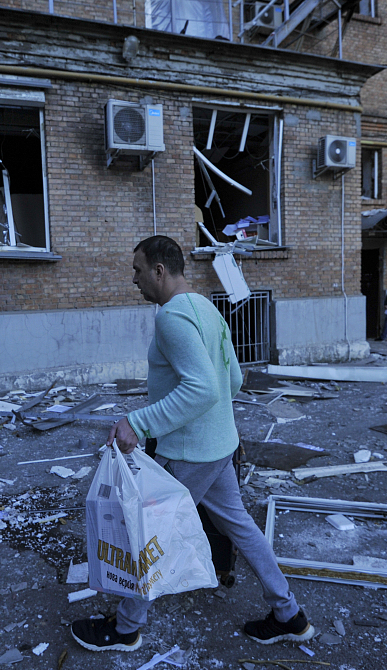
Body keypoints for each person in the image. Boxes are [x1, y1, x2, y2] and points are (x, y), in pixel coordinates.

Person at [70, 235, 314, 652]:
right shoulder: (206, 308)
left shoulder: (171, 317)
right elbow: (233, 380)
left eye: (137, 270)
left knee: (150, 537)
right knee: (240, 527)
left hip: (189, 452)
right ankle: (289, 614)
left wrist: (138, 421)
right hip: (219, 446)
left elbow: (202, 389)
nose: (134, 280)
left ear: (159, 271)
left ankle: (126, 629)